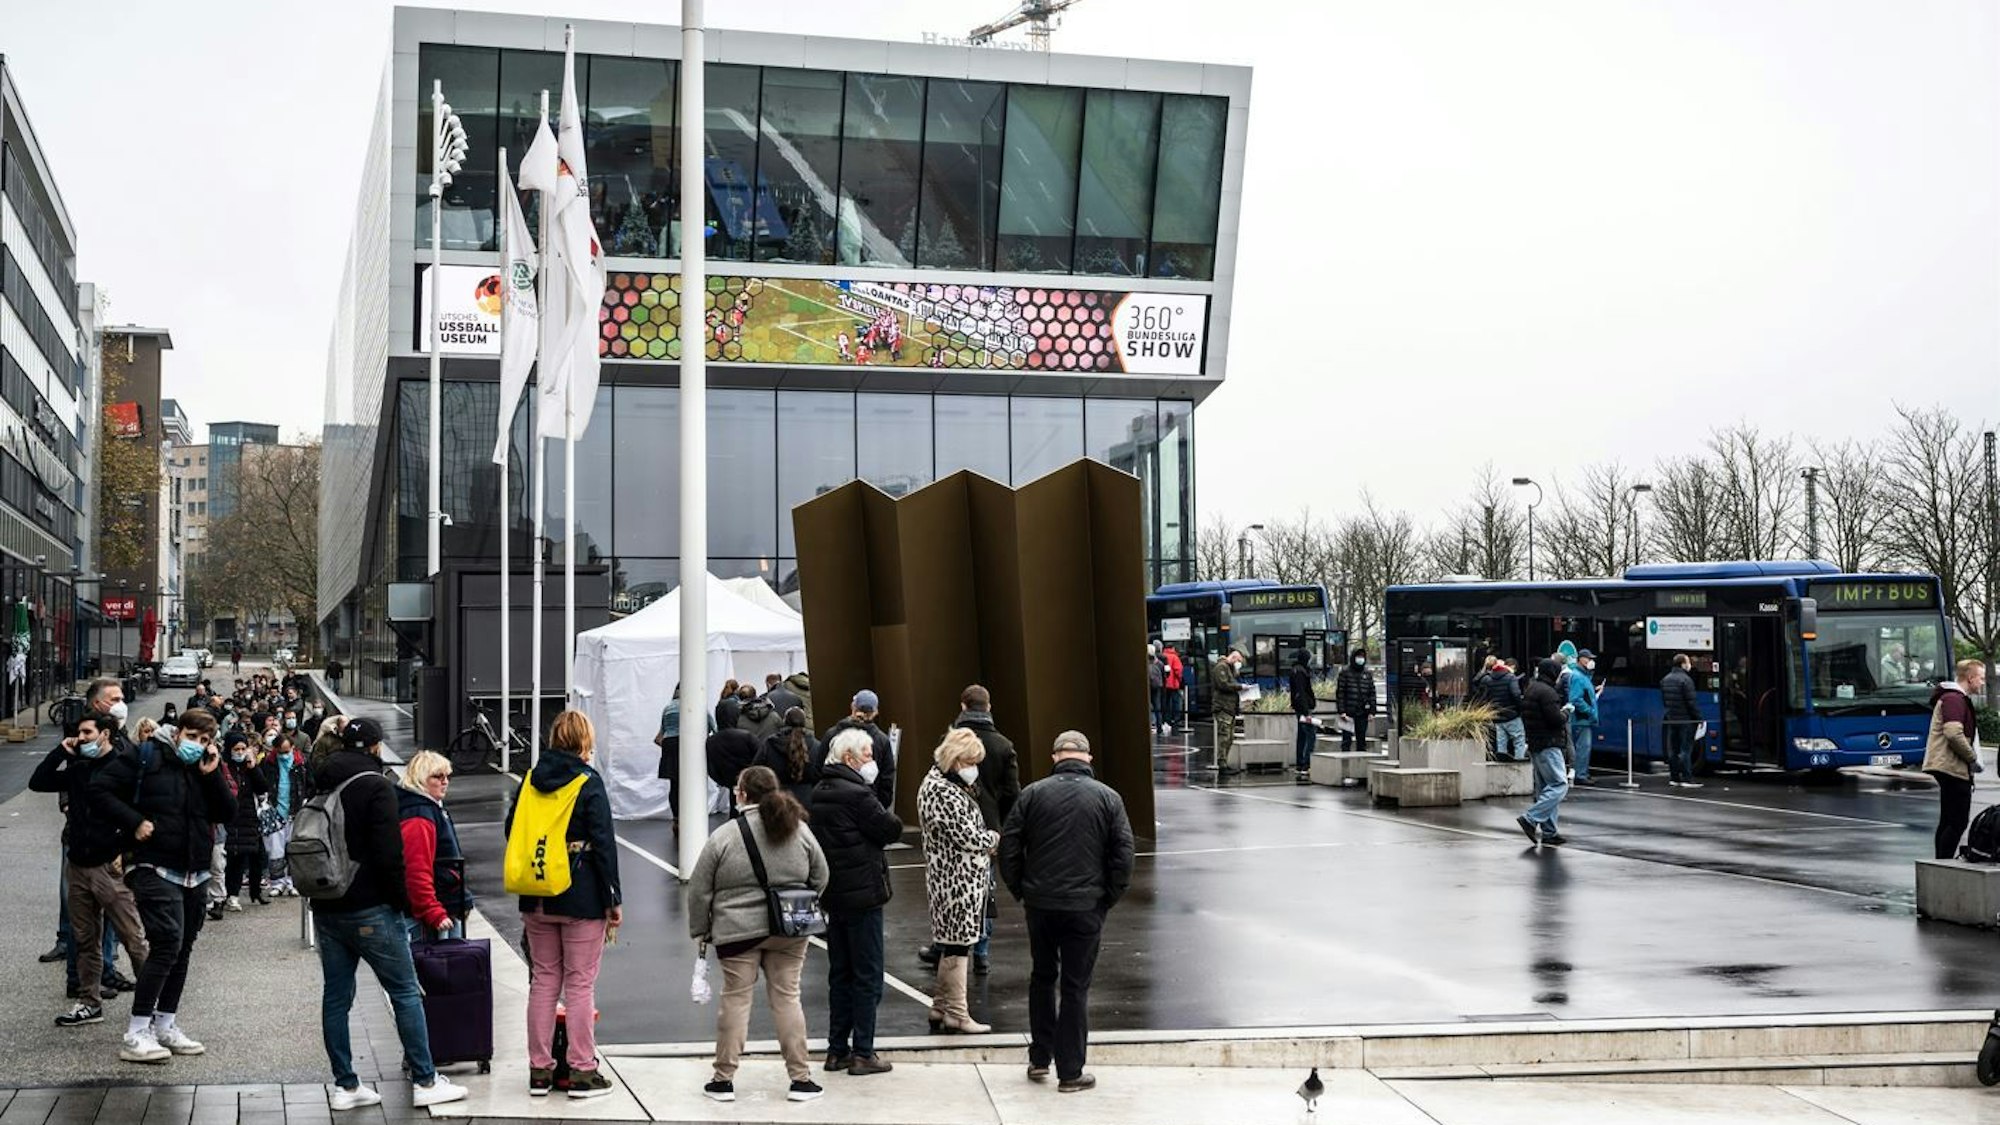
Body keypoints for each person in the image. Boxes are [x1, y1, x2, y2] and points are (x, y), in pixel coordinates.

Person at [307, 716, 467, 1110]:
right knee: (406, 992)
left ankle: (346, 1086)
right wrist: (401, 903)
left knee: (337, 997)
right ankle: (426, 1080)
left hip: (327, 905)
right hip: (371, 908)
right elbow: (390, 856)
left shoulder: (322, 780)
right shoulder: (376, 786)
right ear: (377, 747)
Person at [88, 707, 235, 1065]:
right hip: (152, 864)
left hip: (194, 869)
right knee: (167, 942)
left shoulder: (204, 767)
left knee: (183, 947)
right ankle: (137, 1031)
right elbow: (100, 789)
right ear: (178, 731)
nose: (196, 744)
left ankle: (165, 1023)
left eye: (204, 740)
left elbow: (227, 813)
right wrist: (135, 822)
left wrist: (212, 775)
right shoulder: (146, 754)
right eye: (192, 737)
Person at [998, 730, 1135, 1095]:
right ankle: (1071, 1071)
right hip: (1086, 905)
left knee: (1042, 977)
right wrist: (1107, 898)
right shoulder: (1108, 798)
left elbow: (1009, 847)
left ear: (1055, 757)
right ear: (1087, 758)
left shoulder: (1032, 794)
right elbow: (1123, 856)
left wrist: (1021, 890)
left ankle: (1040, 1057)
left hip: (1041, 903)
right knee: (1075, 987)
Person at [688, 765, 829, 1105]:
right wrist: (801, 903)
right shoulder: (799, 828)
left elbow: (699, 889)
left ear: (742, 794)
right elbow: (821, 874)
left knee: (736, 1000)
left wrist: (701, 929)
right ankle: (801, 1079)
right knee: (787, 998)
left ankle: (723, 1080)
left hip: (737, 932)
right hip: (790, 930)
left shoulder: (725, 836)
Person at [506, 710, 622, 1100]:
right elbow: (604, 843)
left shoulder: (530, 779)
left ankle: (540, 1071)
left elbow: (511, 829)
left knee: (544, 980)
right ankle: (582, 1070)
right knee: (579, 983)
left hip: (536, 892)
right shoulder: (588, 781)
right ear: (584, 741)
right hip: (580, 894)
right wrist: (613, 899)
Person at [34, 711, 150, 1028]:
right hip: (79, 865)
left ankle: (152, 1004)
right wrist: (61, 751)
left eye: (87, 732)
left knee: (132, 938)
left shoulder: (123, 768)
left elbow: (141, 812)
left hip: (109, 866)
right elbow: (38, 782)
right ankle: (89, 1002)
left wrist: (126, 852)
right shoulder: (79, 768)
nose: (81, 738)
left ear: (105, 734)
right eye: (79, 733)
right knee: (85, 939)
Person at [810, 729, 903, 1076]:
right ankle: (864, 1051)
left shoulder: (821, 791)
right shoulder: (859, 795)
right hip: (863, 893)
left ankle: (837, 1049)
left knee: (841, 973)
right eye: (867, 754)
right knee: (868, 974)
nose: (872, 760)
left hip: (834, 894)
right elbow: (890, 828)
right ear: (849, 758)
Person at [917, 685, 1021, 974]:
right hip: (988, 827)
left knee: (951, 893)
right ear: (989, 707)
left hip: (958, 834)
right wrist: (1000, 827)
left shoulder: (949, 742)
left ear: (963, 706)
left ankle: (944, 945)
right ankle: (982, 952)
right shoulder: (1003, 745)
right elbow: (1012, 792)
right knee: (984, 891)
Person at [918, 729, 995, 1034]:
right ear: (955, 758)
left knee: (952, 945)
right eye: (970, 761)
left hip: (949, 878)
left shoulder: (936, 784)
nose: (974, 768)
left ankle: (941, 1006)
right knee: (958, 946)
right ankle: (958, 1013)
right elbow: (967, 837)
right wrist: (992, 839)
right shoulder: (943, 791)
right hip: (957, 880)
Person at [397, 750, 470, 942]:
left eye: (447, 776)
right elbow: (416, 868)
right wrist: (431, 910)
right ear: (421, 779)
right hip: (433, 914)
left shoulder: (425, 809)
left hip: (440, 907)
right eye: (438, 776)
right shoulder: (419, 815)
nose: (445, 782)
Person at [1925, 659, 1987, 860]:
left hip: (1947, 766)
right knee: (1957, 821)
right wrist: (1971, 757)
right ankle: (1944, 864)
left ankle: (1940, 863)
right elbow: (1953, 733)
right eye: (1981, 678)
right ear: (1970, 678)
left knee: (1948, 820)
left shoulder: (1952, 697)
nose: (1983, 682)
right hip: (1952, 767)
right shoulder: (1954, 699)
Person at [1515, 659, 1572, 847]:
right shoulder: (1548, 692)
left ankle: (1549, 832)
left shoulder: (1531, 688)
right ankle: (1530, 819)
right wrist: (1566, 712)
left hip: (1536, 743)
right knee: (1559, 785)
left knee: (1545, 789)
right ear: (1553, 673)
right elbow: (1555, 719)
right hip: (1549, 743)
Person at [220, 732, 271, 910]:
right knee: (235, 859)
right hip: (231, 818)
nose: (240, 752)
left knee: (257, 855)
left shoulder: (249, 768)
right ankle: (230, 895)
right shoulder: (224, 767)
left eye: (243, 749)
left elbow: (262, 787)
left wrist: (253, 767)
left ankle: (255, 891)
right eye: (237, 749)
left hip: (249, 817)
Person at [823, 691, 895, 809]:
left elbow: (819, 771)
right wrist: (879, 807)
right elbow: (887, 781)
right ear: (875, 712)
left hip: (835, 804)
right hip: (869, 806)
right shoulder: (882, 741)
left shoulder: (832, 735)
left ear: (853, 706)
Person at [755, 707, 821, 809]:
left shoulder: (770, 744)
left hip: (777, 799)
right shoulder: (816, 745)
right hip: (808, 800)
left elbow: (757, 770)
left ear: (784, 721)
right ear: (804, 723)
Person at [1661, 653, 1703, 789]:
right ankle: (1687, 778)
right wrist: (1699, 718)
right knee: (1686, 750)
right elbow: (1691, 703)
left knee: (1673, 750)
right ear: (1682, 664)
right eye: (1688, 662)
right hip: (1686, 720)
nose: (1690, 665)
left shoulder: (1665, 679)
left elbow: (1665, 702)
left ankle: (1674, 778)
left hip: (1671, 719)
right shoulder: (1686, 680)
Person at [1482, 657, 1526, 761]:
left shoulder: (1489, 679)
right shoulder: (1510, 678)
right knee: (1519, 739)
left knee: (1501, 741)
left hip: (1498, 716)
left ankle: (1501, 764)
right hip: (1512, 715)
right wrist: (1520, 709)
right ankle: (1519, 762)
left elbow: (1487, 697)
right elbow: (1516, 695)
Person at [1567, 649, 1600, 785]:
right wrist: (1590, 711)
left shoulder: (1582, 676)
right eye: (1588, 658)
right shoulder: (1578, 677)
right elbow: (1576, 699)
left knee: (1583, 747)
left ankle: (1582, 773)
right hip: (1581, 719)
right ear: (1580, 659)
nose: (1590, 661)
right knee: (1583, 747)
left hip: (1582, 718)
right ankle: (1581, 774)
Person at [1336, 649, 1374, 752]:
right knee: (1346, 740)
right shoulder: (1345, 673)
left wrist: (1372, 711)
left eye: (1362, 656)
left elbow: (1372, 693)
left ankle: (1361, 760)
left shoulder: (1367, 674)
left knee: (1361, 740)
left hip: (1363, 712)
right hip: (1348, 713)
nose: (1360, 659)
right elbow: (1340, 693)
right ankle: (1345, 760)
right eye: (1358, 656)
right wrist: (1342, 711)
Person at [1211, 649, 1245, 769]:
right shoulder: (1221, 667)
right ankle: (1222, 763)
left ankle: (1225, 761)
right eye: (1238, 661)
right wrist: (1240, 687)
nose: (1239, 664)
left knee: (1229, 738)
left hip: (1230, 707)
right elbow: (1223, 684)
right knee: (1224, 736)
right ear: (1234, 658)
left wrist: (1236, 671)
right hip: (1223, 706)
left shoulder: (1229, 669)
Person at [1288, 649, 1317, 779]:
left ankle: (1300, 764)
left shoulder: (1296, 670)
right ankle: (1306, 764)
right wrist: (1306, 712)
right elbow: (1301, 693)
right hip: (1304, 709)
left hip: (1300, 708)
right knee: (1310, 735)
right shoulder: (1300, 672)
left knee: (1302, 735)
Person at [1161, 644, 1184, 734]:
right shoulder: (1175, 657)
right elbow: (1178, 670)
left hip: (1163, 684)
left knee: (1166, 702)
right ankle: (1176, 719)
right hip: (1173, 684)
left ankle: (1167, 719)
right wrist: (1180, 680)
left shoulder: (1162, 656)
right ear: (1172, 648)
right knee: (1176, 702)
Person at [1148, 644, 1167, 733]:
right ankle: (1159, 727)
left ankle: (1150, 725)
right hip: (1157, 687)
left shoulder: (1144, 663)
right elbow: (1164, 675)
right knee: (1157, 707)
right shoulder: (1159, 663)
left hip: (1148, 687)